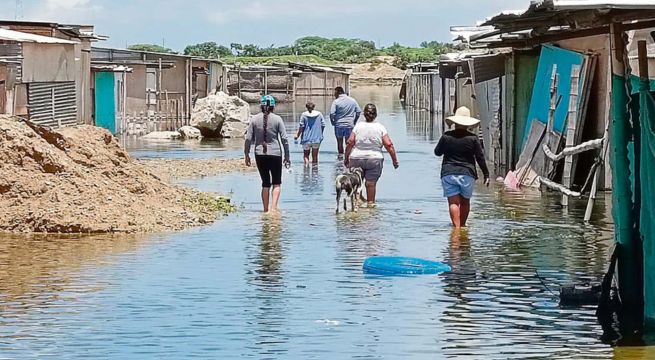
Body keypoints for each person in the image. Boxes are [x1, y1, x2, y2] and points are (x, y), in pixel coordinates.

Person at [434, 106, 490, 228]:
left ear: (455, 122)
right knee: (465, 202)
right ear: (468, 124)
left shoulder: (446, 136)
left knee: (453, 203)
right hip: (467, 174)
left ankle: (457, 229)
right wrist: (486, 174)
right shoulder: (473, 139)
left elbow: (437, 152)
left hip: (448, 173)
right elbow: (480, 157)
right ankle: (463, 226)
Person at [344, 103, 399, 205]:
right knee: (370, 184)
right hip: (374, 159)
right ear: (376, 114)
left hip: (356, 158)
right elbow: (389, 145)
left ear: (364, 114)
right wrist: (394, 161)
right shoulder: (380, 127)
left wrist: (346, 157)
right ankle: (370, 207)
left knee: (356, 183)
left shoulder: (358, 126)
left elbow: (350, 142)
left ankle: (356, 205)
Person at [244, 95, 291, 213]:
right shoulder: (278, 119)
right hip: (275, 154)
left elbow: (248, 138)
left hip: (259, 154)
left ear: (261, 106)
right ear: (273, 107)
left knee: (265, 183)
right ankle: (274, 209)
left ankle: (265, 210)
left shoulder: (254, 119)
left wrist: (246, 154)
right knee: (276, 182)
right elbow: (285, 139)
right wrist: (287, 156)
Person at [330, 86, 361, 157]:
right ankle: (348, 158)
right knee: (349, 144)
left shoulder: (336, 102)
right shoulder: (352, 100)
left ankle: (340, 159)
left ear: (338, 92)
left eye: (335, 93)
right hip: (349, 125)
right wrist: (354, 121)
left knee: (339, 143)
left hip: (339, 125)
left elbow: (332, 113)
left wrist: (332, 121)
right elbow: (358, 112)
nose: (334, 95)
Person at [294, 101, 325, 165]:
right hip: (316, 139)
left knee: (306, 155)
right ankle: (315, 172)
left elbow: (301, 127)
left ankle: (306, 170)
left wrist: (297, 135)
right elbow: (323, 125)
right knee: (315, 156)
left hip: (306, 139)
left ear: (306, 107)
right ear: (314, 107)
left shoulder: (304, 115)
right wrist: (320, 133)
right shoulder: (319, 114)